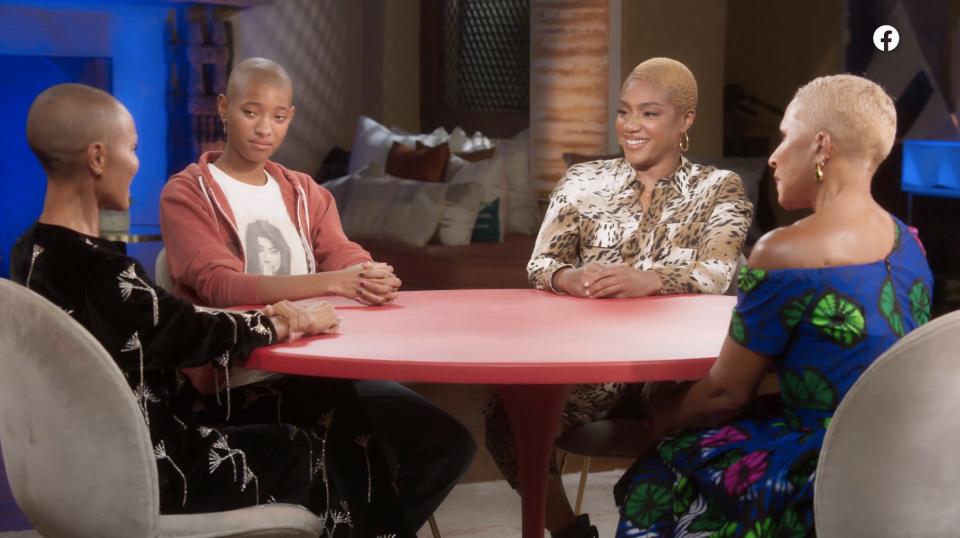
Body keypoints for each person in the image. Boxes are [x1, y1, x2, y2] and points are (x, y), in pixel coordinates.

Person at [8, 83, 457, 538]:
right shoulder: (99, 269)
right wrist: (287, 321)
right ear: (99, 158)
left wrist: (354, 275)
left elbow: (159, 321)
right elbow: (187, 329)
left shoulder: (32, 251)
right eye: (133, 149)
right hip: (154, 464)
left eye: (279, 115)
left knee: (328, 404)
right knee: (316, 447)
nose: (137, 163)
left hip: (91, 454)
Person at [161, 57, 476, 535]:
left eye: (279, 116)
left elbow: (341, 252)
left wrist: (366, 273)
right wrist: (331, 284)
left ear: (291, 117)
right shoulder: (188, 193)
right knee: (353, 440)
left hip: (326, 366)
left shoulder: (304, 191)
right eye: (251, 112)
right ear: (224, 109)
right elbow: (221, 286)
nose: (265, 128)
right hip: (245, 381)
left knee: (448, 444)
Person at [613, 74, 934, 537]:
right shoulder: (911, 244)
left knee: (662, 468)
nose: (774, 157)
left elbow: (725, 395)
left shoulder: (783, 253)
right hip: (906, 454)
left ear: (821, 146)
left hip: (824, 467)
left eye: (786, 137)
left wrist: (653, 419)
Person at [485, 57, 754, 538]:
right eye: (624, 112)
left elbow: (716, 273)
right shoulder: (583, 181)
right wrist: (571, 279)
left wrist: (651, 280)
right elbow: (541, 265)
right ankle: (570, 532)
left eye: (649, 114)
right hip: (592, 367)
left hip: (676, 372)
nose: (631, 126)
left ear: (685, 120)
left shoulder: (719, 189)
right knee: (506, 413)